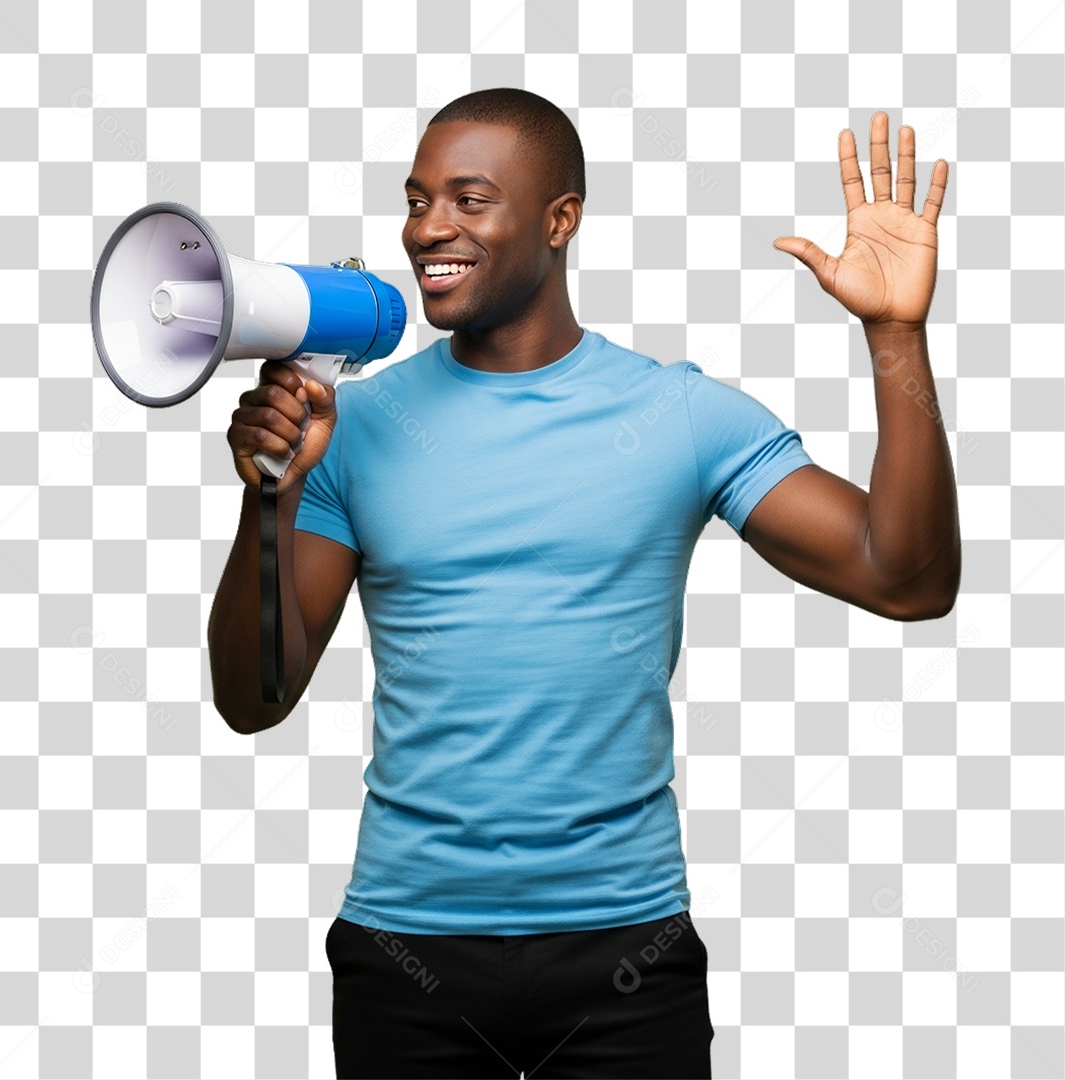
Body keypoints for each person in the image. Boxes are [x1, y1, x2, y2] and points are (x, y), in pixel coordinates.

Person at [208, 89, 959, 1079]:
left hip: (626, 957)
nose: (428, 227)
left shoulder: (682, 415)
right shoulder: (353, 427)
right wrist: (271, 502)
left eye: (470, 200)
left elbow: (906, 579)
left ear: (560, 220)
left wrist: (894, 337)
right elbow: (254, 701)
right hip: (407, 956)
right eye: (418, 198)